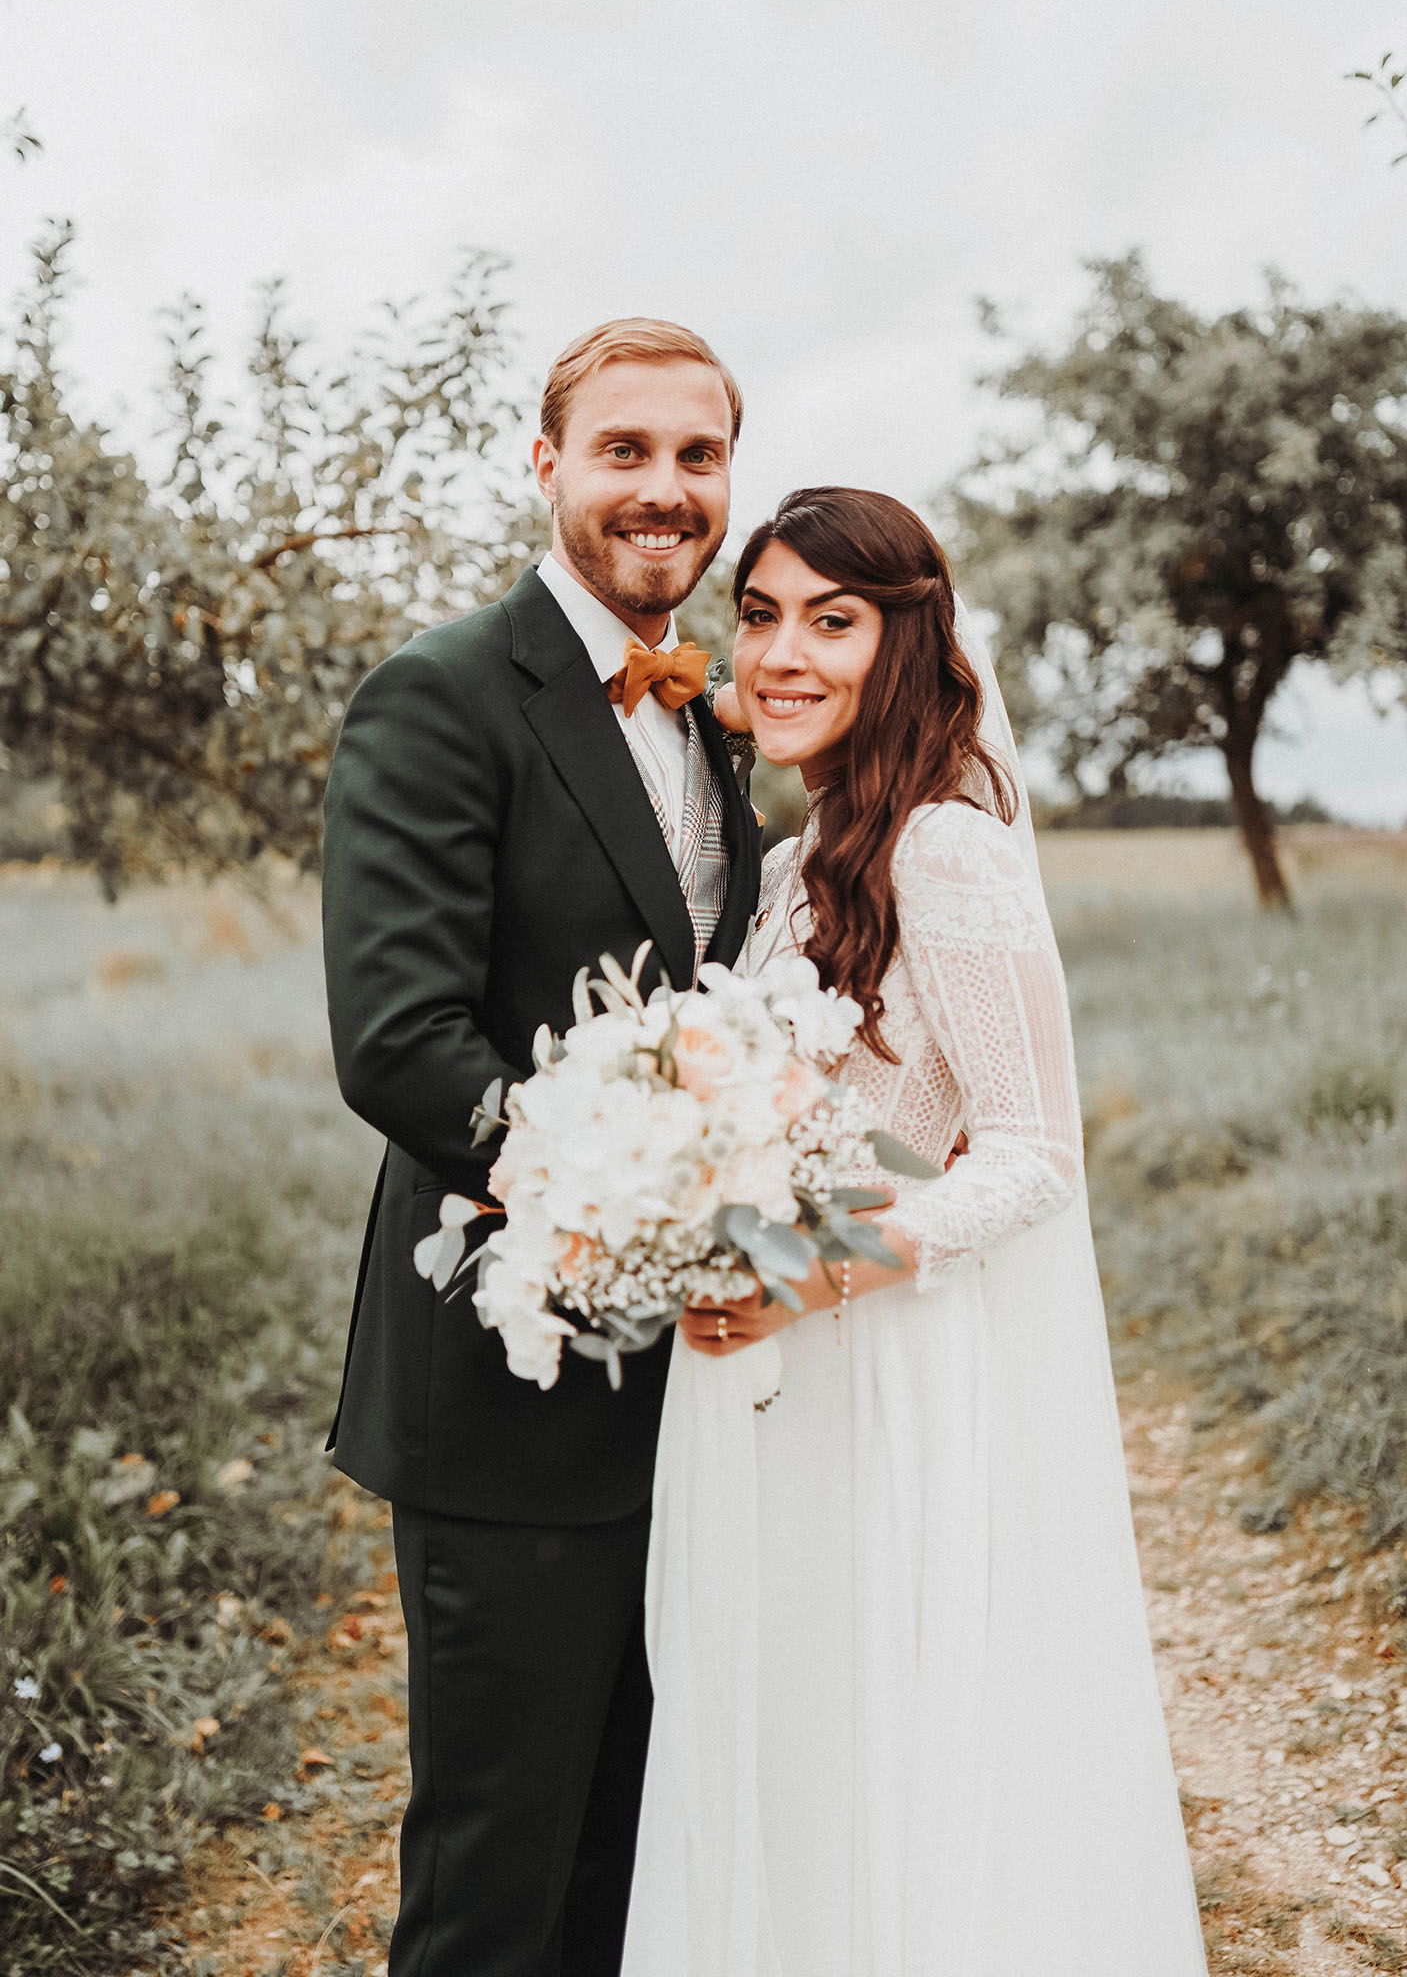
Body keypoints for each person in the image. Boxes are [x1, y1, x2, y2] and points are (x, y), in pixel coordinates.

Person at [622, 487, 1210, 1975]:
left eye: (835, 618)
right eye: (760, 616)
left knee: (875, 1742)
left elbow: (1030, 1156)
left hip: (870, 1360)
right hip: (762, 1366)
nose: (784, 653)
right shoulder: (791, 860)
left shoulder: (944, 848)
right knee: (783, 1748)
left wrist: (804, 1279)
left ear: (908, 643)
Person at [319, 318, 762, 1977]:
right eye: (626, 450)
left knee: (636, 1865)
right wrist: (657, 1203)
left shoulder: (712, 718)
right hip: (508, 1385)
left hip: (699, 1401)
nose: (664, 489)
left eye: (698, 455)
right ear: (547, 465)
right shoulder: (440, 696)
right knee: (498, 1882)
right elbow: (404, 1045)